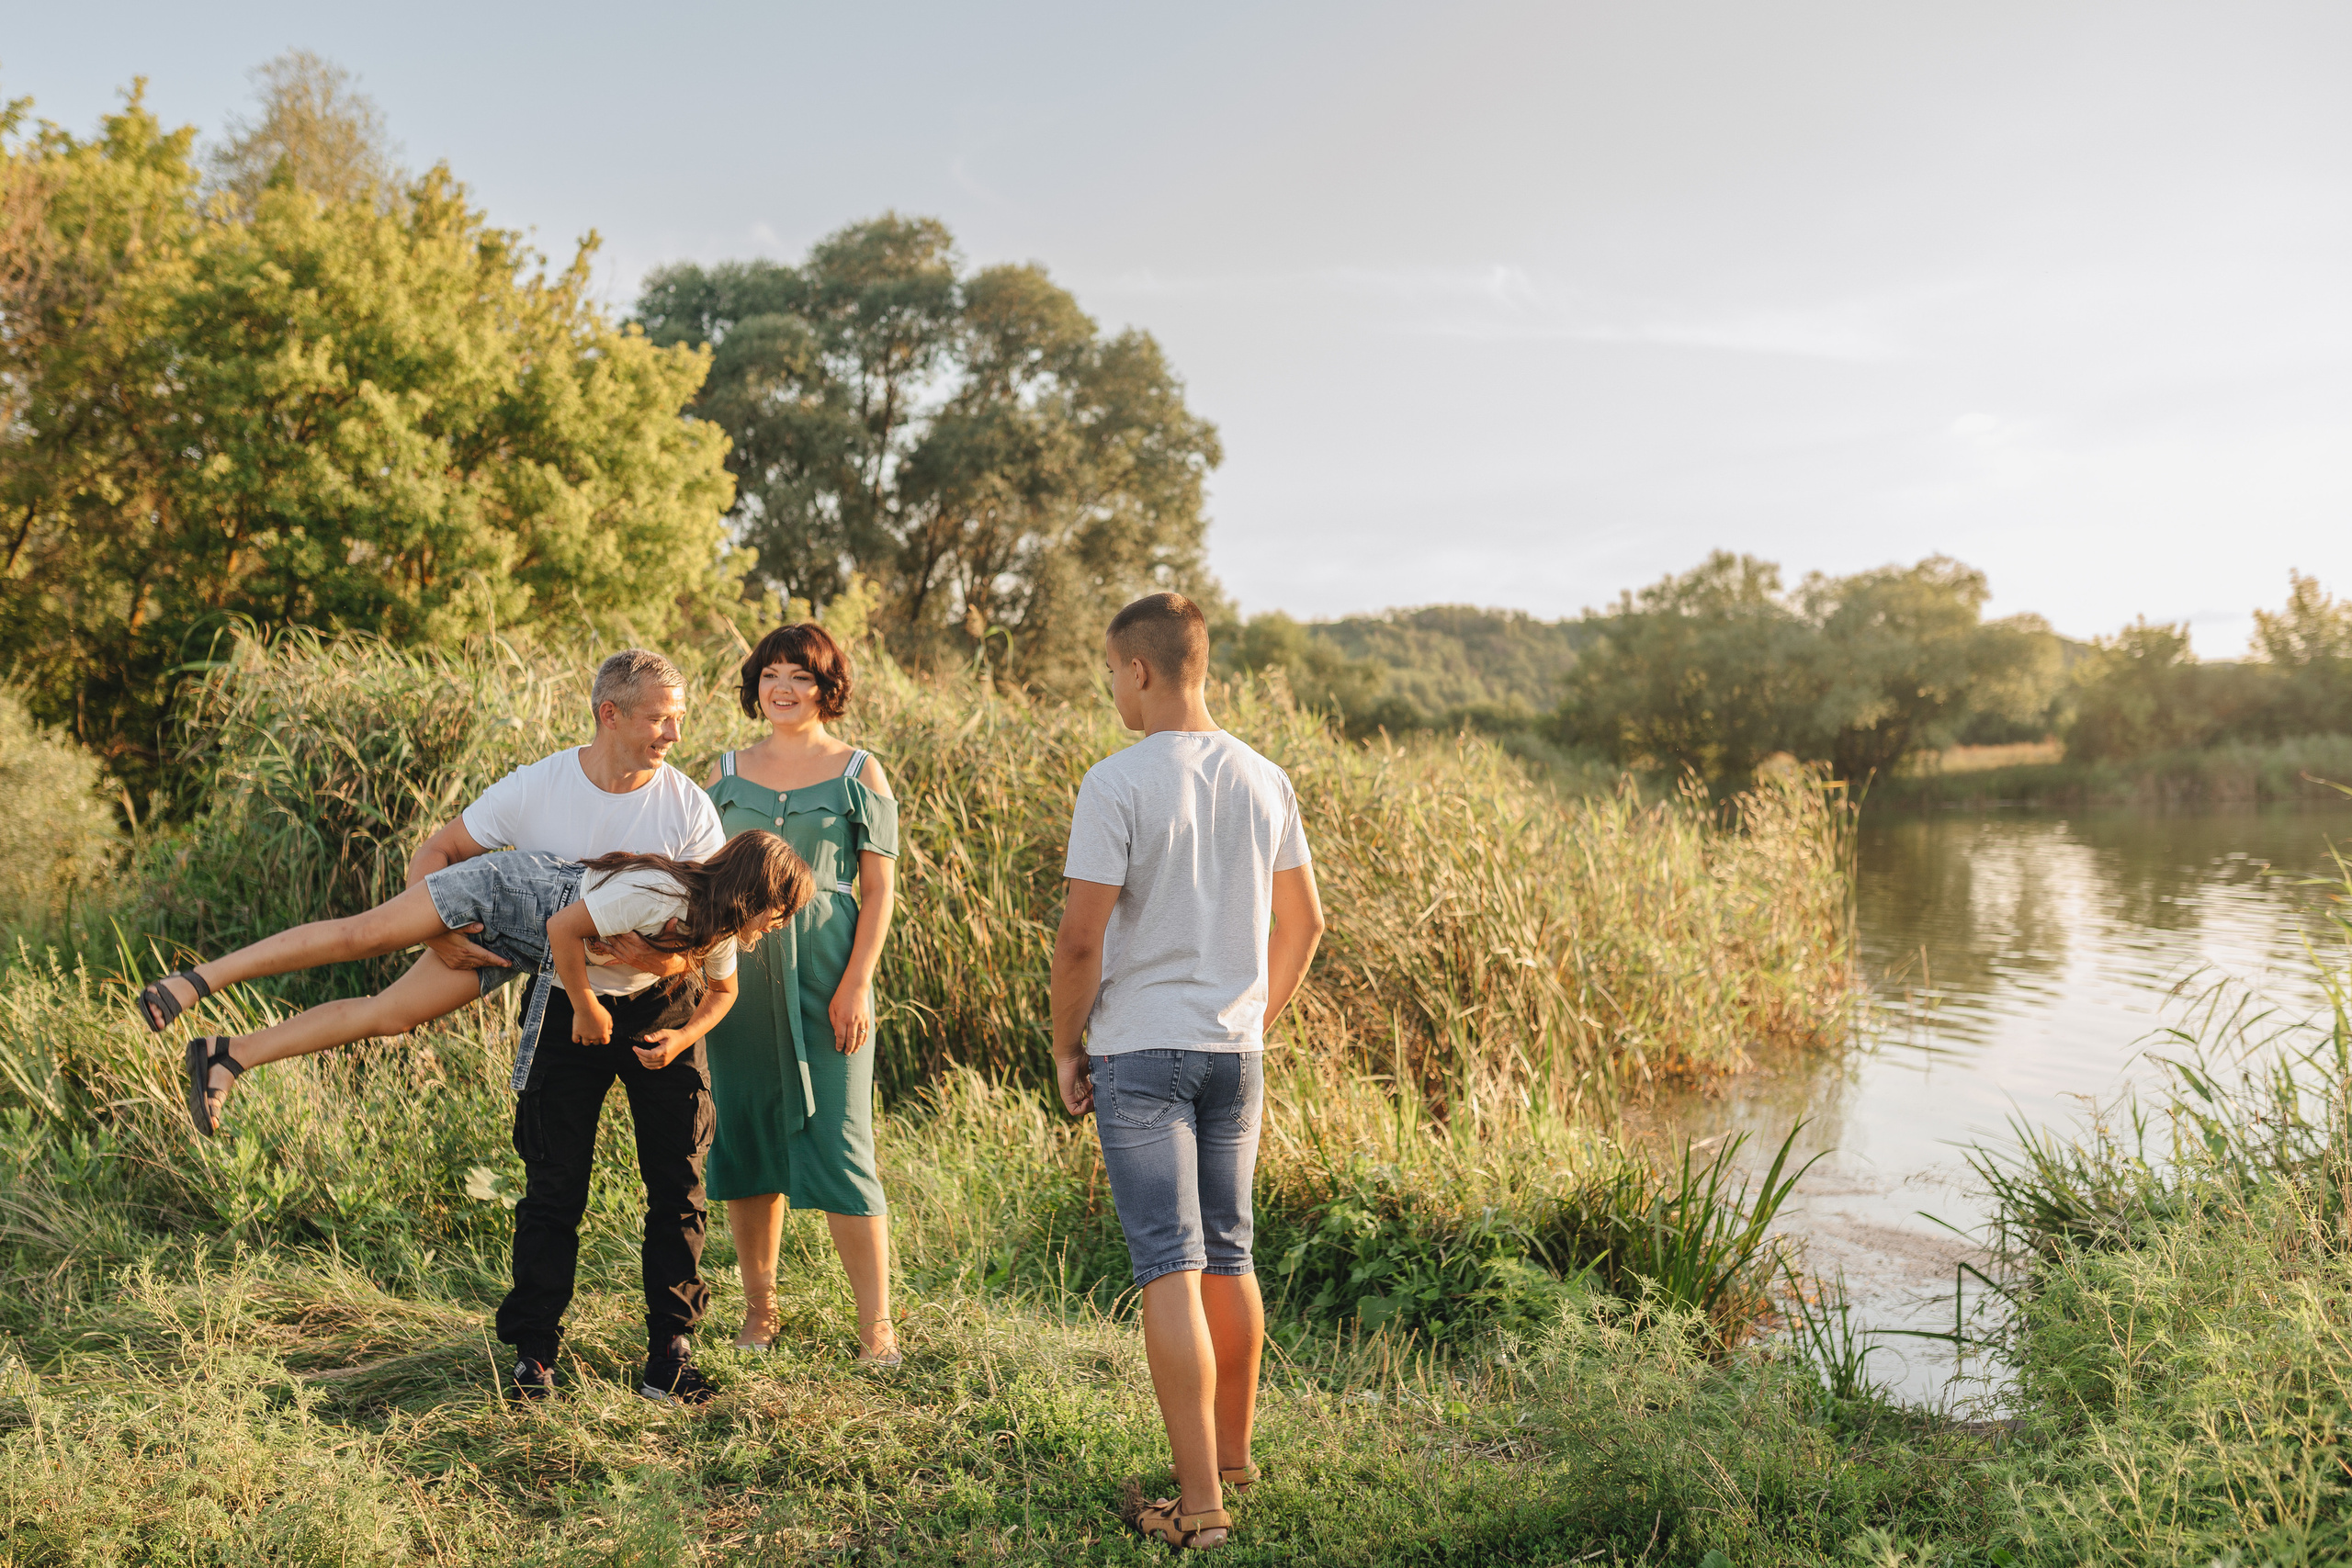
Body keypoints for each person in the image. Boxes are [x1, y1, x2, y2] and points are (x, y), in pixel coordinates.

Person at [139, 649, 750, 1405]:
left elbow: (703, 932)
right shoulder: (541, 784)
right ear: (610, 713)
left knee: (395, 1020)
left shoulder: (689, 806)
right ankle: (196, 983)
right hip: (536, 949)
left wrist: (652, 964)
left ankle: (228, 1054)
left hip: (642, 998)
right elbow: (440, 850)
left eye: (679, 716)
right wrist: (440, 933)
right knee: (370, 944)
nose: (674, 730)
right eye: (662, 716)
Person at [1049, 592, 1327, 1551]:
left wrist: (1063, 1046)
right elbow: (1307, 924)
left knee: (1169, 1263)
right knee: (1230, 1254)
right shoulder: (1263, 776)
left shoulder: (1116, 781)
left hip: (1141, 1051)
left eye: (1111, 672)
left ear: (1138, 670)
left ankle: (1199, 1507)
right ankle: (1235, 1459)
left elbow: (1080, 941)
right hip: (1233, 1051)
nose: (1112, 689)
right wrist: (1253, 1017)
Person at [701, 623, 902, 1363]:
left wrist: (858, 982)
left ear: (827, 689)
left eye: (801, 677)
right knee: (746, 1132)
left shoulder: (860, 771)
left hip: (829, 972)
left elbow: (878, 889)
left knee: (844, 1141)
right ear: (756, 684)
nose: (783, 688)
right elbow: (700, 874)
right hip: (739, 980)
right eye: (771, 674)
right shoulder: (723, 771)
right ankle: (761, 1312)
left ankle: (876, 1325)